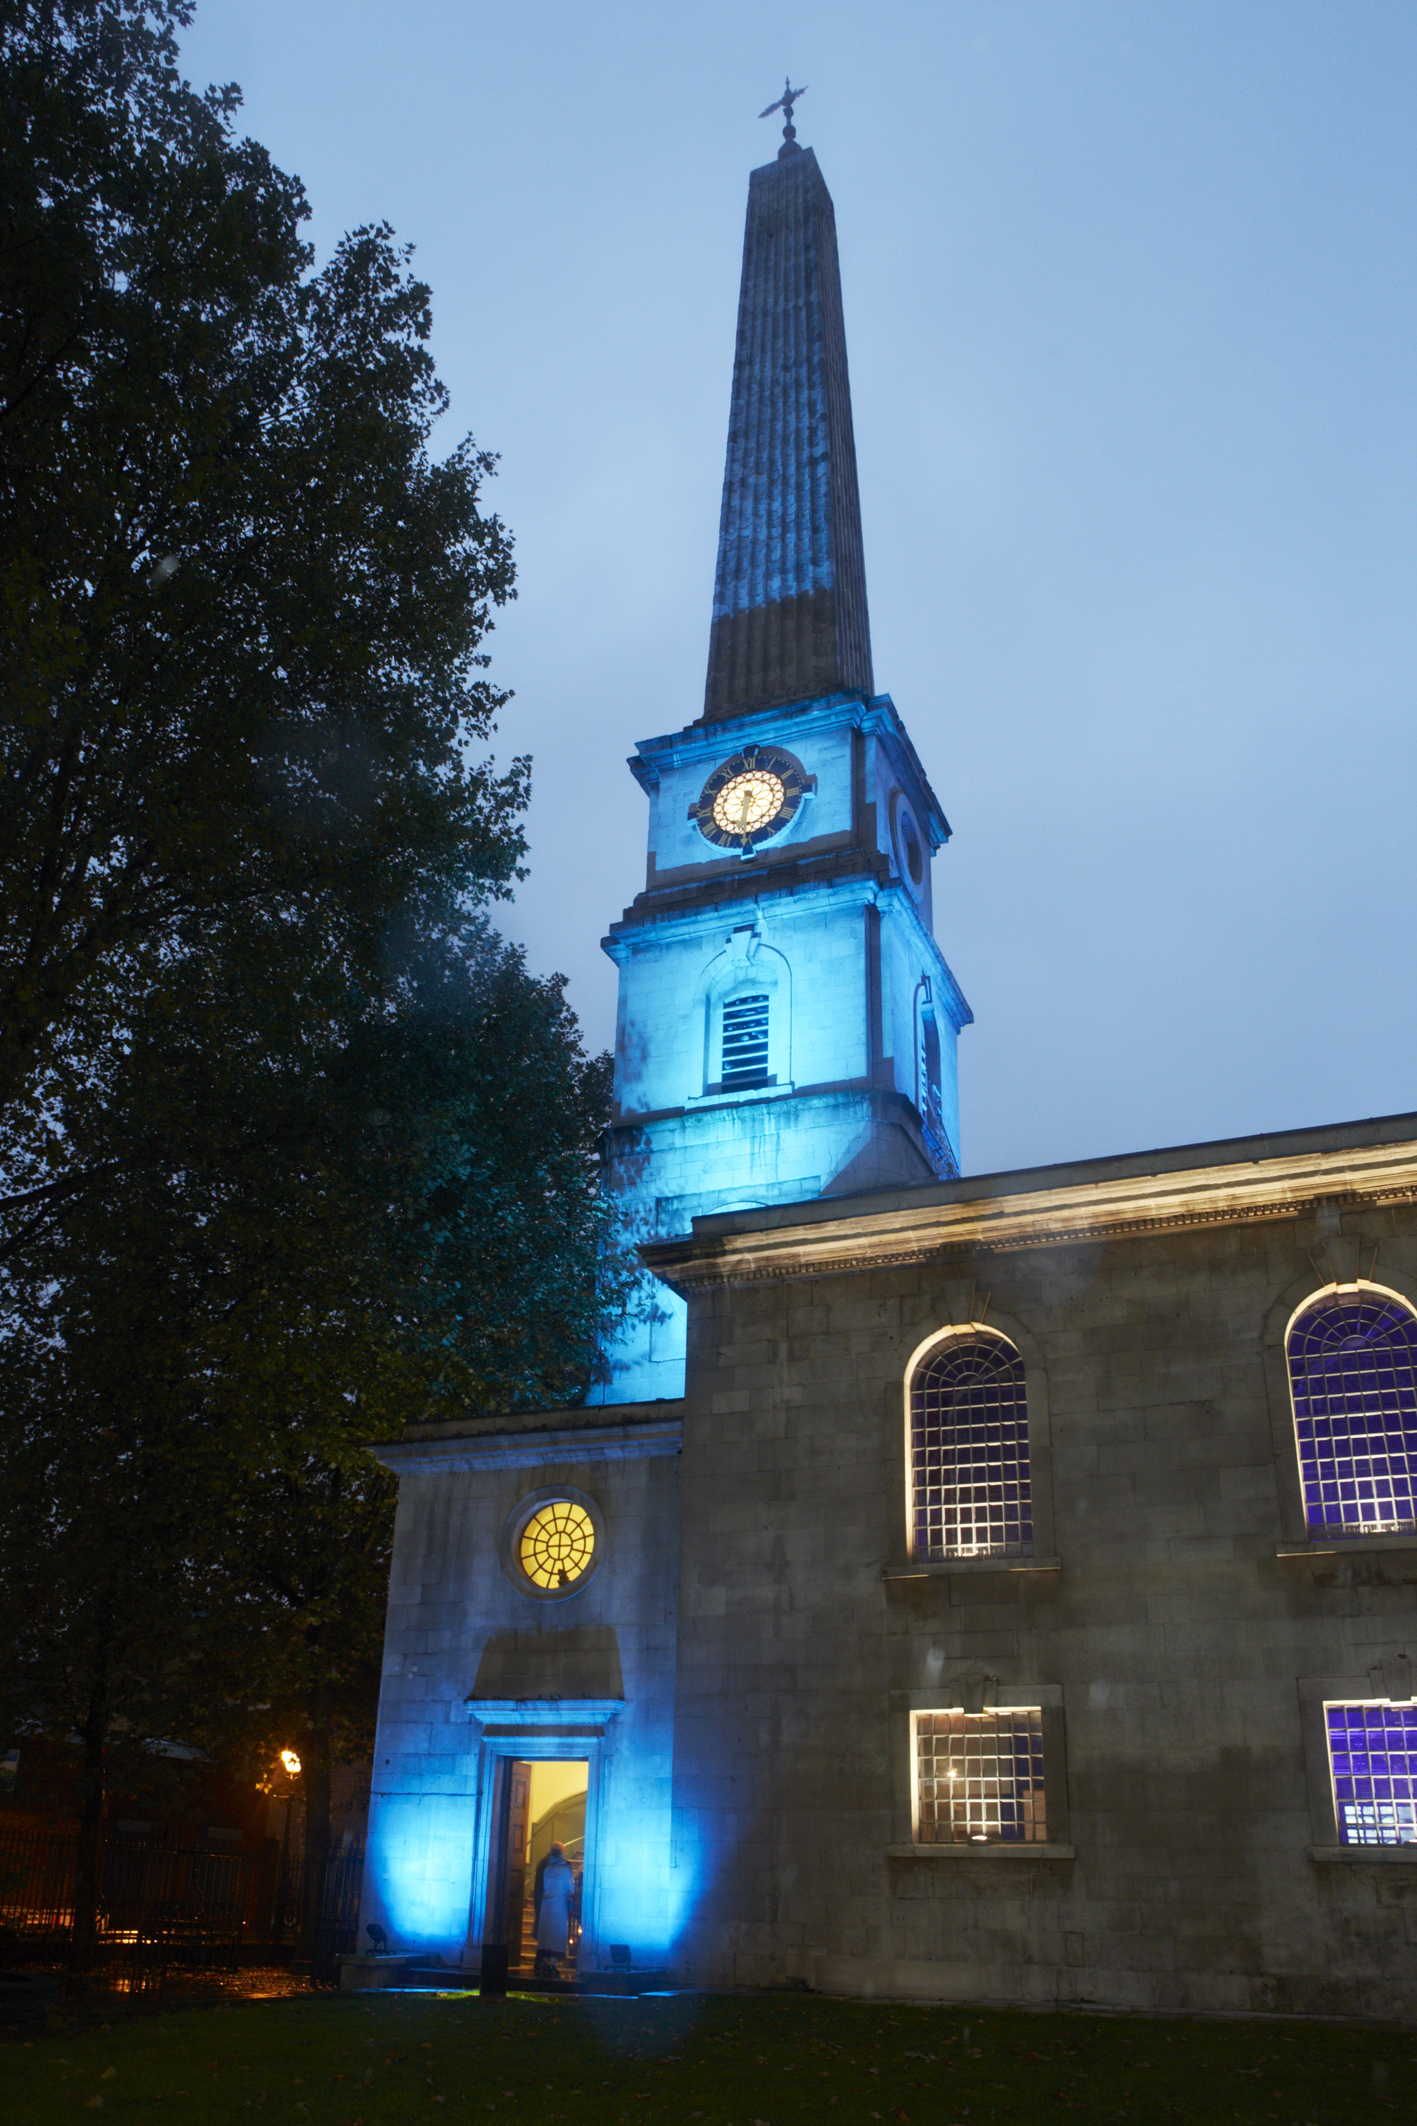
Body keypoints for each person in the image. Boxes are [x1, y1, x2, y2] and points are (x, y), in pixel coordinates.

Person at [534, 1840, 576, 1978]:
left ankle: (545, 1962)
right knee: (556, 1935)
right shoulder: (565, 1869)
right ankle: (552, 1963)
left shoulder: (548, 1869)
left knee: (546, 1935)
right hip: (559, 1905)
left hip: (547, 1904)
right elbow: (570, 1888)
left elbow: (545, 1886)